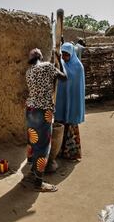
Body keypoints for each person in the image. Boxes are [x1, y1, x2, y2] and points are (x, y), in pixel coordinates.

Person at [25, 48, 67, 192]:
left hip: (30, 110)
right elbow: (64, 78)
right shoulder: (48, 67)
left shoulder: (29, 72)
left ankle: (32, 171)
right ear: (41, 57)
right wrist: (59, 60)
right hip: (43, 112)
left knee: (33, 142)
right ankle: (38, 183)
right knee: (43, 147)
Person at [54, 42, 85, 160]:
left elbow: (76, 86)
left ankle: (70, 153)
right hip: (62, 102)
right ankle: (58, 151)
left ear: (72, 54)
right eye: (63, 54)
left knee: (70, 127)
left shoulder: (78, 67)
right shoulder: (61, 64)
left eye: (67, 55)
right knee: (59, 125)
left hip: (72, 102)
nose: (65, 57)